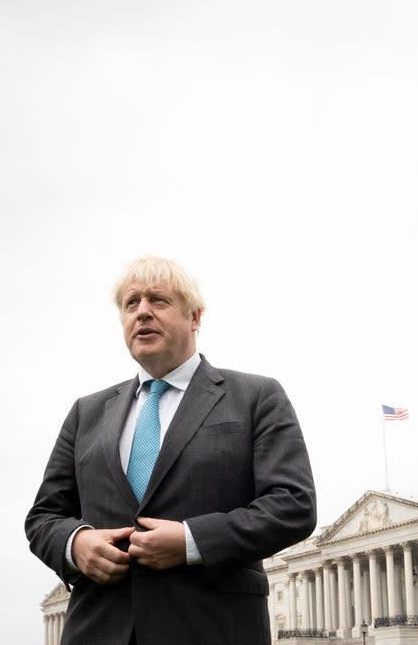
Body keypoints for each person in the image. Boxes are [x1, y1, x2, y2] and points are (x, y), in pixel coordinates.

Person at [25, 256, 316, 644]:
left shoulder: (256, 396)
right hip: (98, 629)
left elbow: (292, 504)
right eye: (131, 304)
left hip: (213, 628)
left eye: (158, 300)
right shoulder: (86, 412)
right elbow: (44, 516)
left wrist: (192, 541)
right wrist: (75, 543)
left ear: (195, 317)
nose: (142, 312)